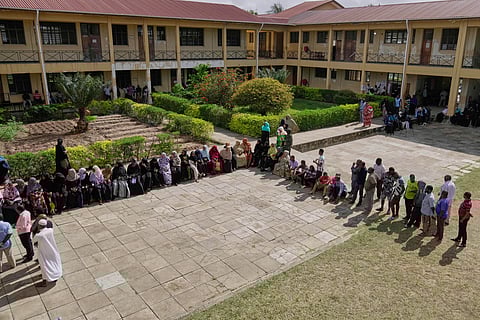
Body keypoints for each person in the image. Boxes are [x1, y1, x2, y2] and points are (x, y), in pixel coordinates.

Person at [33, 219, 62, 287]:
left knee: (44, 266)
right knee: (54, 263)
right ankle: (55, 276)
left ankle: (44, 281)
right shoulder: (50, 230)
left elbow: (34, 240)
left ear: (39, 226)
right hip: (52, 250)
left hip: (43, 252)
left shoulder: (39, 235)